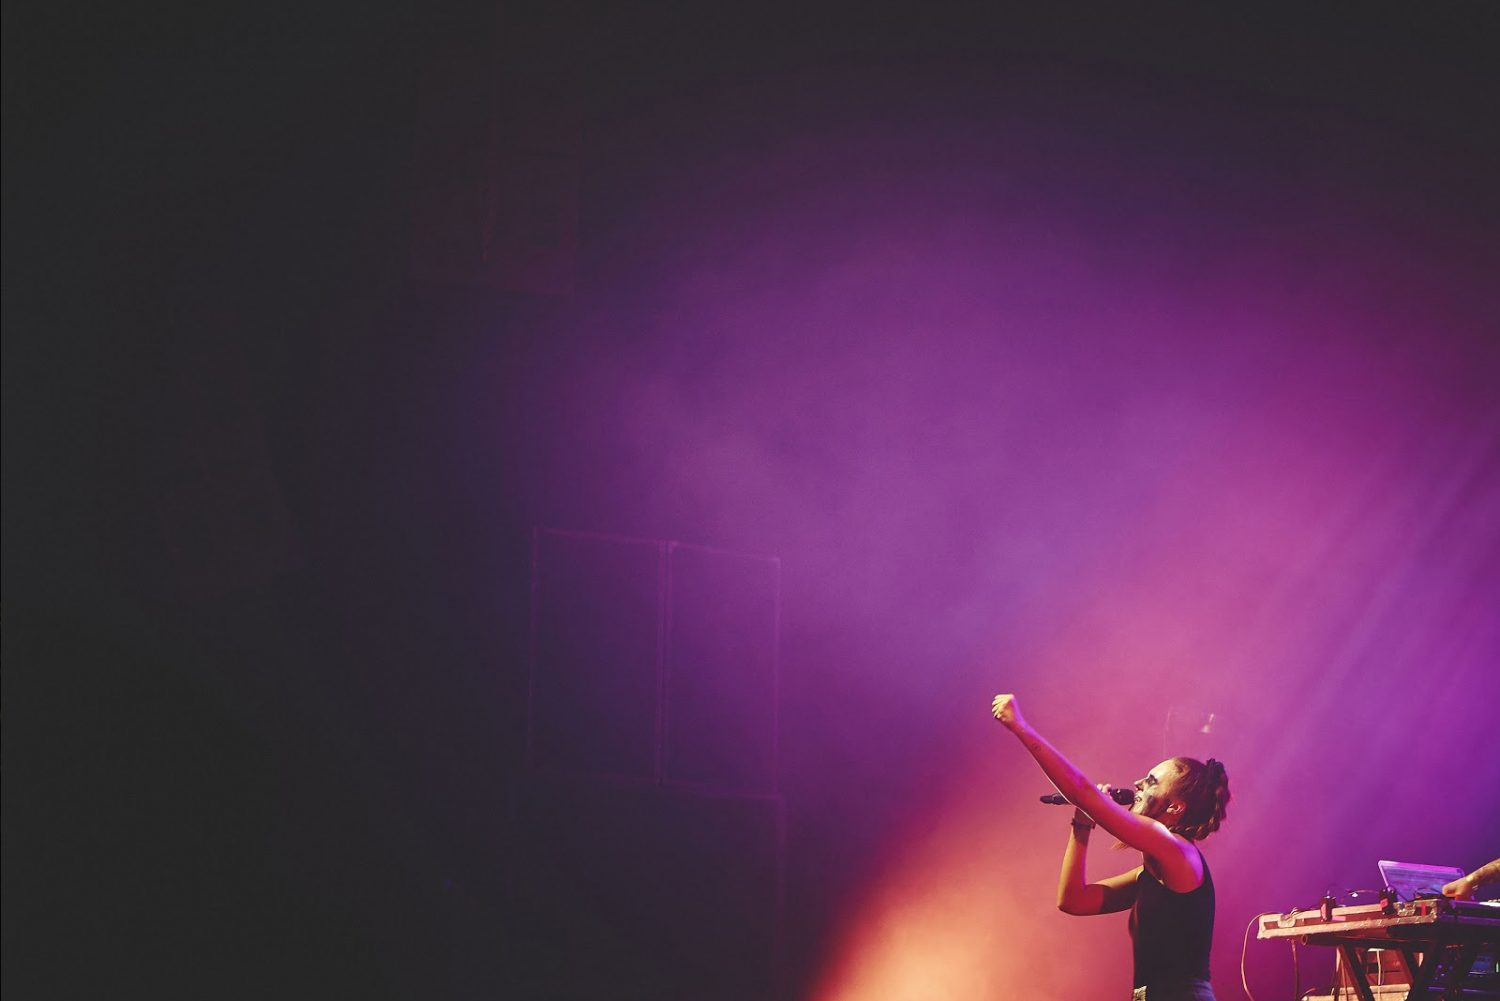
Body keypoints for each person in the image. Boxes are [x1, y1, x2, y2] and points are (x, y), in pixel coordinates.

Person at [992, 693, 1231, 1001]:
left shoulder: (1179, 852)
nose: (1138, 783)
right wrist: (1082, 823)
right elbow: (1073, 900)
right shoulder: (1148, 876)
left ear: (1175, 807)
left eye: (1151, 781)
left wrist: (1021, 727)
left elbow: (1082, 790)